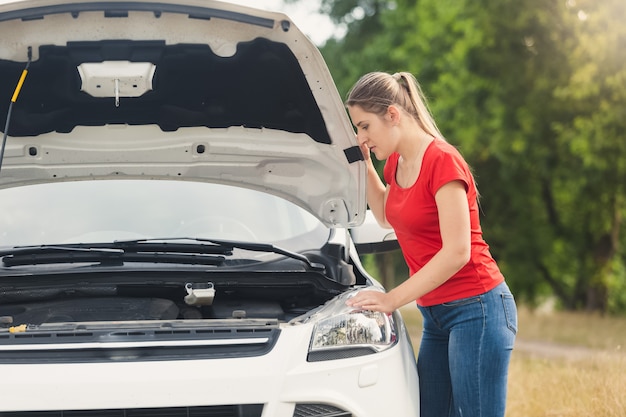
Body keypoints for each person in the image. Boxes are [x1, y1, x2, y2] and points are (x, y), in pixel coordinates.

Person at [345, 71, 518, 417]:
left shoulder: (442, 160)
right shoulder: (397, 161)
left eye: (365, 126)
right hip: (436, 316)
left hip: (477, 309)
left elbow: (457, 252)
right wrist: (364, 165)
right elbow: (384, 215)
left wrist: (391, 299)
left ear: (392, 115)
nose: (361, 136)